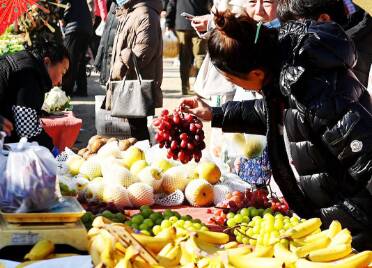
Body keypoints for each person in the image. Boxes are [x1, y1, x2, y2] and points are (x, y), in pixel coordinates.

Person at [180, 11, 372, 250]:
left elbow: (366, 159)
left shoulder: (317, 94)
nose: (235, 86)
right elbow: (278, 111)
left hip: (354, 225)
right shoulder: (288, 72)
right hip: (332, 216)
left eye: (234, 81)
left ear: (257, 74)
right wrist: (216, 114)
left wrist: (350, 219)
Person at [110, 0, 163, 141]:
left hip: (136, 84)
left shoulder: (145, 14)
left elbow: (144, 50)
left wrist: (121, 61)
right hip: (129, 78)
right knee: (134, 129)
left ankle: (142, 155)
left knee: (138, 131)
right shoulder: (133, 11)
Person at [0, 43, 70, 149]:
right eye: (62, 72)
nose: (60, 81)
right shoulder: (29, 74)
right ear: (47, 62)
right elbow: (26, 131)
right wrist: (54, 150)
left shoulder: (26, 62)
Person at [165, 0, 212, 95]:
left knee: (184, 58)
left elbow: (171, 4)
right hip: (200, 23)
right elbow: (210, 5)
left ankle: (185, 87)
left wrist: (169, 23)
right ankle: (200, 88)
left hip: (182, 24)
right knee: (200, 56)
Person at [61, 0, 93, 97]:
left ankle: (67, 90)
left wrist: (60, 16)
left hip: (74, 28)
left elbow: (60, 5)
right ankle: (82, 89)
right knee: (80, 60)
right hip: (86, 27)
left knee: (69, 59)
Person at [94, 0, 118, 85]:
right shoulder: (114, 5)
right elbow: (106, 34)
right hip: (108, 58)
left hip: (116, 63)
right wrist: (98, 59)